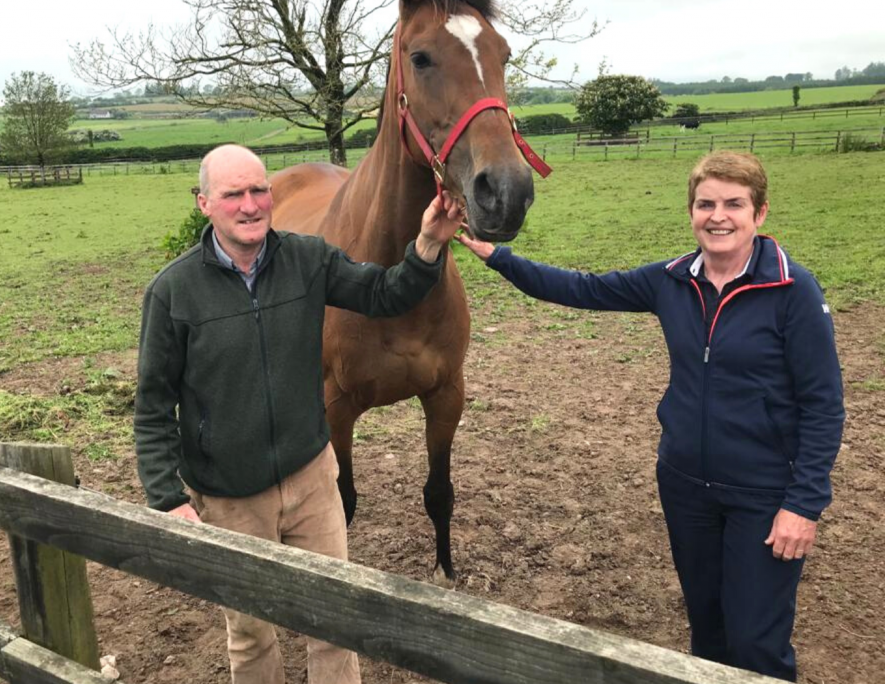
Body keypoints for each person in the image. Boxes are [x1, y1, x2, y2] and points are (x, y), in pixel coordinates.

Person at [456, 151, 844, 682]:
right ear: (691, 212)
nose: (719, 216)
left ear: (760, 213)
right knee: (707, 631)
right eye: (706, 203)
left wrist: (803, 505)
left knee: (756, 640)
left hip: (764, 494)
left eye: (734, 203)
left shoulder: (792, 291)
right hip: (686, 486)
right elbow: (582, 288)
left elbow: (824, 404)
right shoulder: (671, 280)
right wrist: (496, 256)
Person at [134, 144, 463, 684]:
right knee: (252, 634)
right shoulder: (173, 292)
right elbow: (151, 405)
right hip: (231, 498)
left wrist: (427, 244)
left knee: (335, 624)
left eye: (258, 190)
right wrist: (166, 498)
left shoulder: (308, 260)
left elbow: (385, 293)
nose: (250, 205)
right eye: (232, 194)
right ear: (204, 203)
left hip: (312, 482)